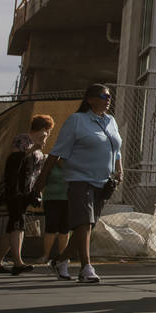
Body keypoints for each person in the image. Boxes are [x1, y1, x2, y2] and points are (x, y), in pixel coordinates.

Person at [35, 86, 121, 284]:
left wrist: (120, 169)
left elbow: (117, 149)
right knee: (83, 222)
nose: (108, 99)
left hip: (104, 181)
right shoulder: (77, 121)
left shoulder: (111, 121)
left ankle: (61, 260)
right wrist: (41, 181)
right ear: (90, 100)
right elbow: (57, 152)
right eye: (103, 96)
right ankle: (86, 267)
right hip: (79, 178)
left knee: (88, 225)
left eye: (109, 96)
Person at [0, 115, 53, 275]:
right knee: (18, 222)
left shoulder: (39, 146)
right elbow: (14, 162)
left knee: (12, 225)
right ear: (42, 130)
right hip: (14, 189)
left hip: (27, 190)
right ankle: (18, 262)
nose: (48, 134)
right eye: (48, 131)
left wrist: (37, 191)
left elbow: (36, 171)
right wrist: (34, 147)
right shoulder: (23, 140)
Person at [37, 162, 71, 275]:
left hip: (68, 199)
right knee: (50, 228)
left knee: (64, 229)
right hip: (51, 199)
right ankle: (46, 255)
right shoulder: (51, 163)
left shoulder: (73, 164)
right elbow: (43, 178)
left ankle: (62, 256)